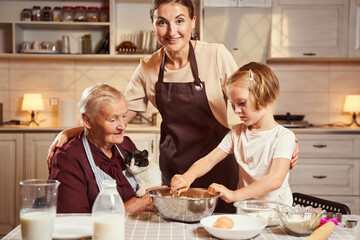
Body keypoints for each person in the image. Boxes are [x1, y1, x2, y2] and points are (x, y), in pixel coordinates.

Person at [47, 0, 298, 213]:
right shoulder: (147, 66)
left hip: (219, 166)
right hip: (177, 171)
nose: (171, 31)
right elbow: (116, 118)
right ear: (153, 25)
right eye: (162, 22)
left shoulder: (216, 55)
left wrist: (279, 139)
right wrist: (74, 131)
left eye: (179, 21)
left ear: (193, 22)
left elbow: (251, 96)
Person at [171, 62, 295, 206]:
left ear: (264, 95)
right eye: (233, 105)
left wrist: (234, 195)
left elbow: (275, 179)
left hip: (277, 213)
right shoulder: (237, 132)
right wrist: (187, 177)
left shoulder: (284, 136)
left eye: (242, 103)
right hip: (246, 210)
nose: (236, 110)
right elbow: (209, 160)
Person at [48, 83, 154, 213]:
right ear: (87, 120)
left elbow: (144, 191)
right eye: (113, 119)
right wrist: (130, 207)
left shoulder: (125, 145)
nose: (122, 126)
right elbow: (73, 221)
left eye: (124, 116)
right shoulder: (68, 158)